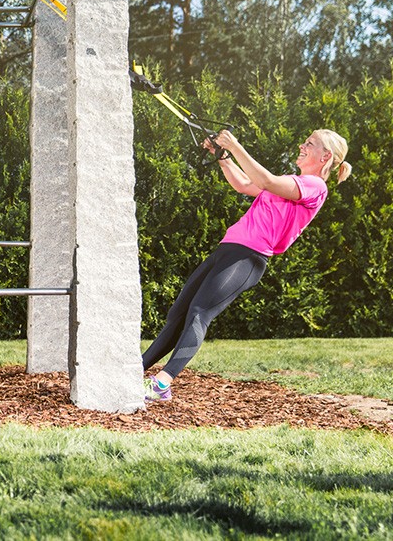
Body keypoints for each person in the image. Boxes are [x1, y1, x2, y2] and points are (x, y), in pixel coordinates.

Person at [142, 129, 351, 402]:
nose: (301, 145)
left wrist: (235, 145)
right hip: (229, 249)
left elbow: (265, 180)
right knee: (179, 312)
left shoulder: (315, 187)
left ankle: (162, 384)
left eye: (309, 144)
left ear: (325, 156)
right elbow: (244, 184)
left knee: (198, 313)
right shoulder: (294, 181)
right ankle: (135, 370)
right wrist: (222, 157)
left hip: (249, 258)